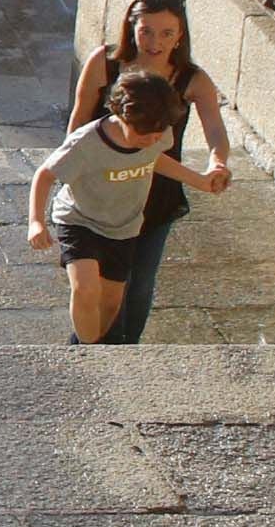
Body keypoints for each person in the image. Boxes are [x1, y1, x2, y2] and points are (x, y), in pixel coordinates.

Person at [65, 0, 237, 343]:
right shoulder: (105, 63)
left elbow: (215, 130)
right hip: (103, 191)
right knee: (98, 285)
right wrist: (73, 170)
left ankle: (126, 353)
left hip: (155, 194)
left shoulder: (192, 80)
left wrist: (217, 162)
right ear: (132, 29)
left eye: (166, 33)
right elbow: (78, 122)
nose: (155, 42)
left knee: (139, 284)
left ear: (180, 36)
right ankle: (88, 349)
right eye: (146, 31)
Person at [32, 68, 188, 347]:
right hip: (79, 219)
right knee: (85, 288)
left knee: (112, 300)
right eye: (143, 134)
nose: (151, 140)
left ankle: (85, 342)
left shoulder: (157, 132)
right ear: (121, 114)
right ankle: (88, 352)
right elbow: (45, 175)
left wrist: (198, 179)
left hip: (123, 226)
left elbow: (155, 158)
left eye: (157, 134)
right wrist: (37, 222)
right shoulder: (87, 142)